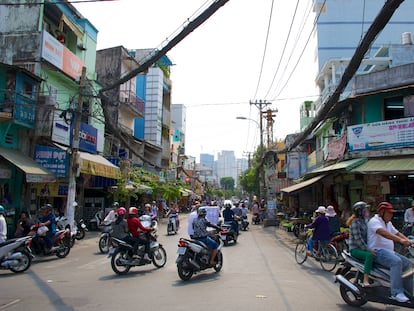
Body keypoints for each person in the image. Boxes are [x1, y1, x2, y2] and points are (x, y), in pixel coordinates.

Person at [367, 201, 413, 303]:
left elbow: (397, 232)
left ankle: (409, 292)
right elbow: (384, 233)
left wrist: (408, 241)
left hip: (388, 252)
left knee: (409, 264)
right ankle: (396, 293)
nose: (391, 215)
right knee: (396, 262)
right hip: (377, 252)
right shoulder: (374, 221)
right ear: (382, 212)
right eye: (389, 213)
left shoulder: (388, 223)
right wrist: (401, 241)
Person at [346, 201, 375, 287]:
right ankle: (366, 280)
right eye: (365, 210)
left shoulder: (365, 221)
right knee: (369, 255)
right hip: (355, 249)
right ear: (359, 211)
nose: (367, 211)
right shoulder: (355, 222)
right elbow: (358, 239)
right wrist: (368, 249)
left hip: (364, 247)